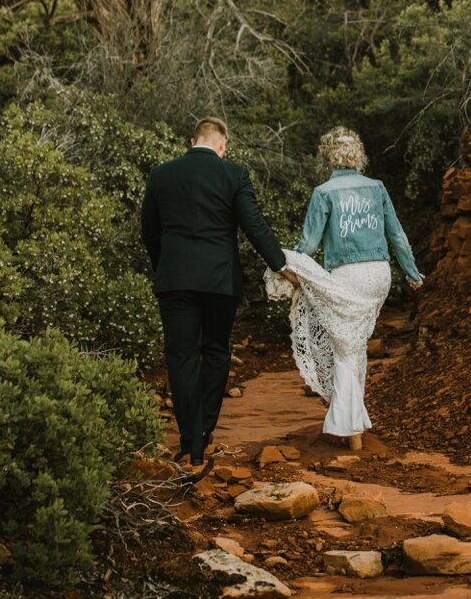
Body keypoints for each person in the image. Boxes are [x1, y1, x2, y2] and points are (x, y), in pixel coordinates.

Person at [141, 117, 294, 467]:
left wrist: (165, 266)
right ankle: (204, 433)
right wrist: (281, 265)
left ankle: (188, 437)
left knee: (180, 356)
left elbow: (148, 233)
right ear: (222, 145)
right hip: (219, 282)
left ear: (192, 140)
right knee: (215, 351)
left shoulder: (161, 174)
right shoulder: (233, 175)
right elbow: (253, 225)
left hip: (175, 280)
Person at [266, 126, 423, 451]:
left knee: (345, 350)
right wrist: (412, 272)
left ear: (328, 156)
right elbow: (397, 235)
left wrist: (288, 268)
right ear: (358, 155)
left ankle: (349, 431)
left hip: (347, 277)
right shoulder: (376, 187)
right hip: (379, 277)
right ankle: (353, 427)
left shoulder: (324, 192)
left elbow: (308, 244)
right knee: (354, 348)